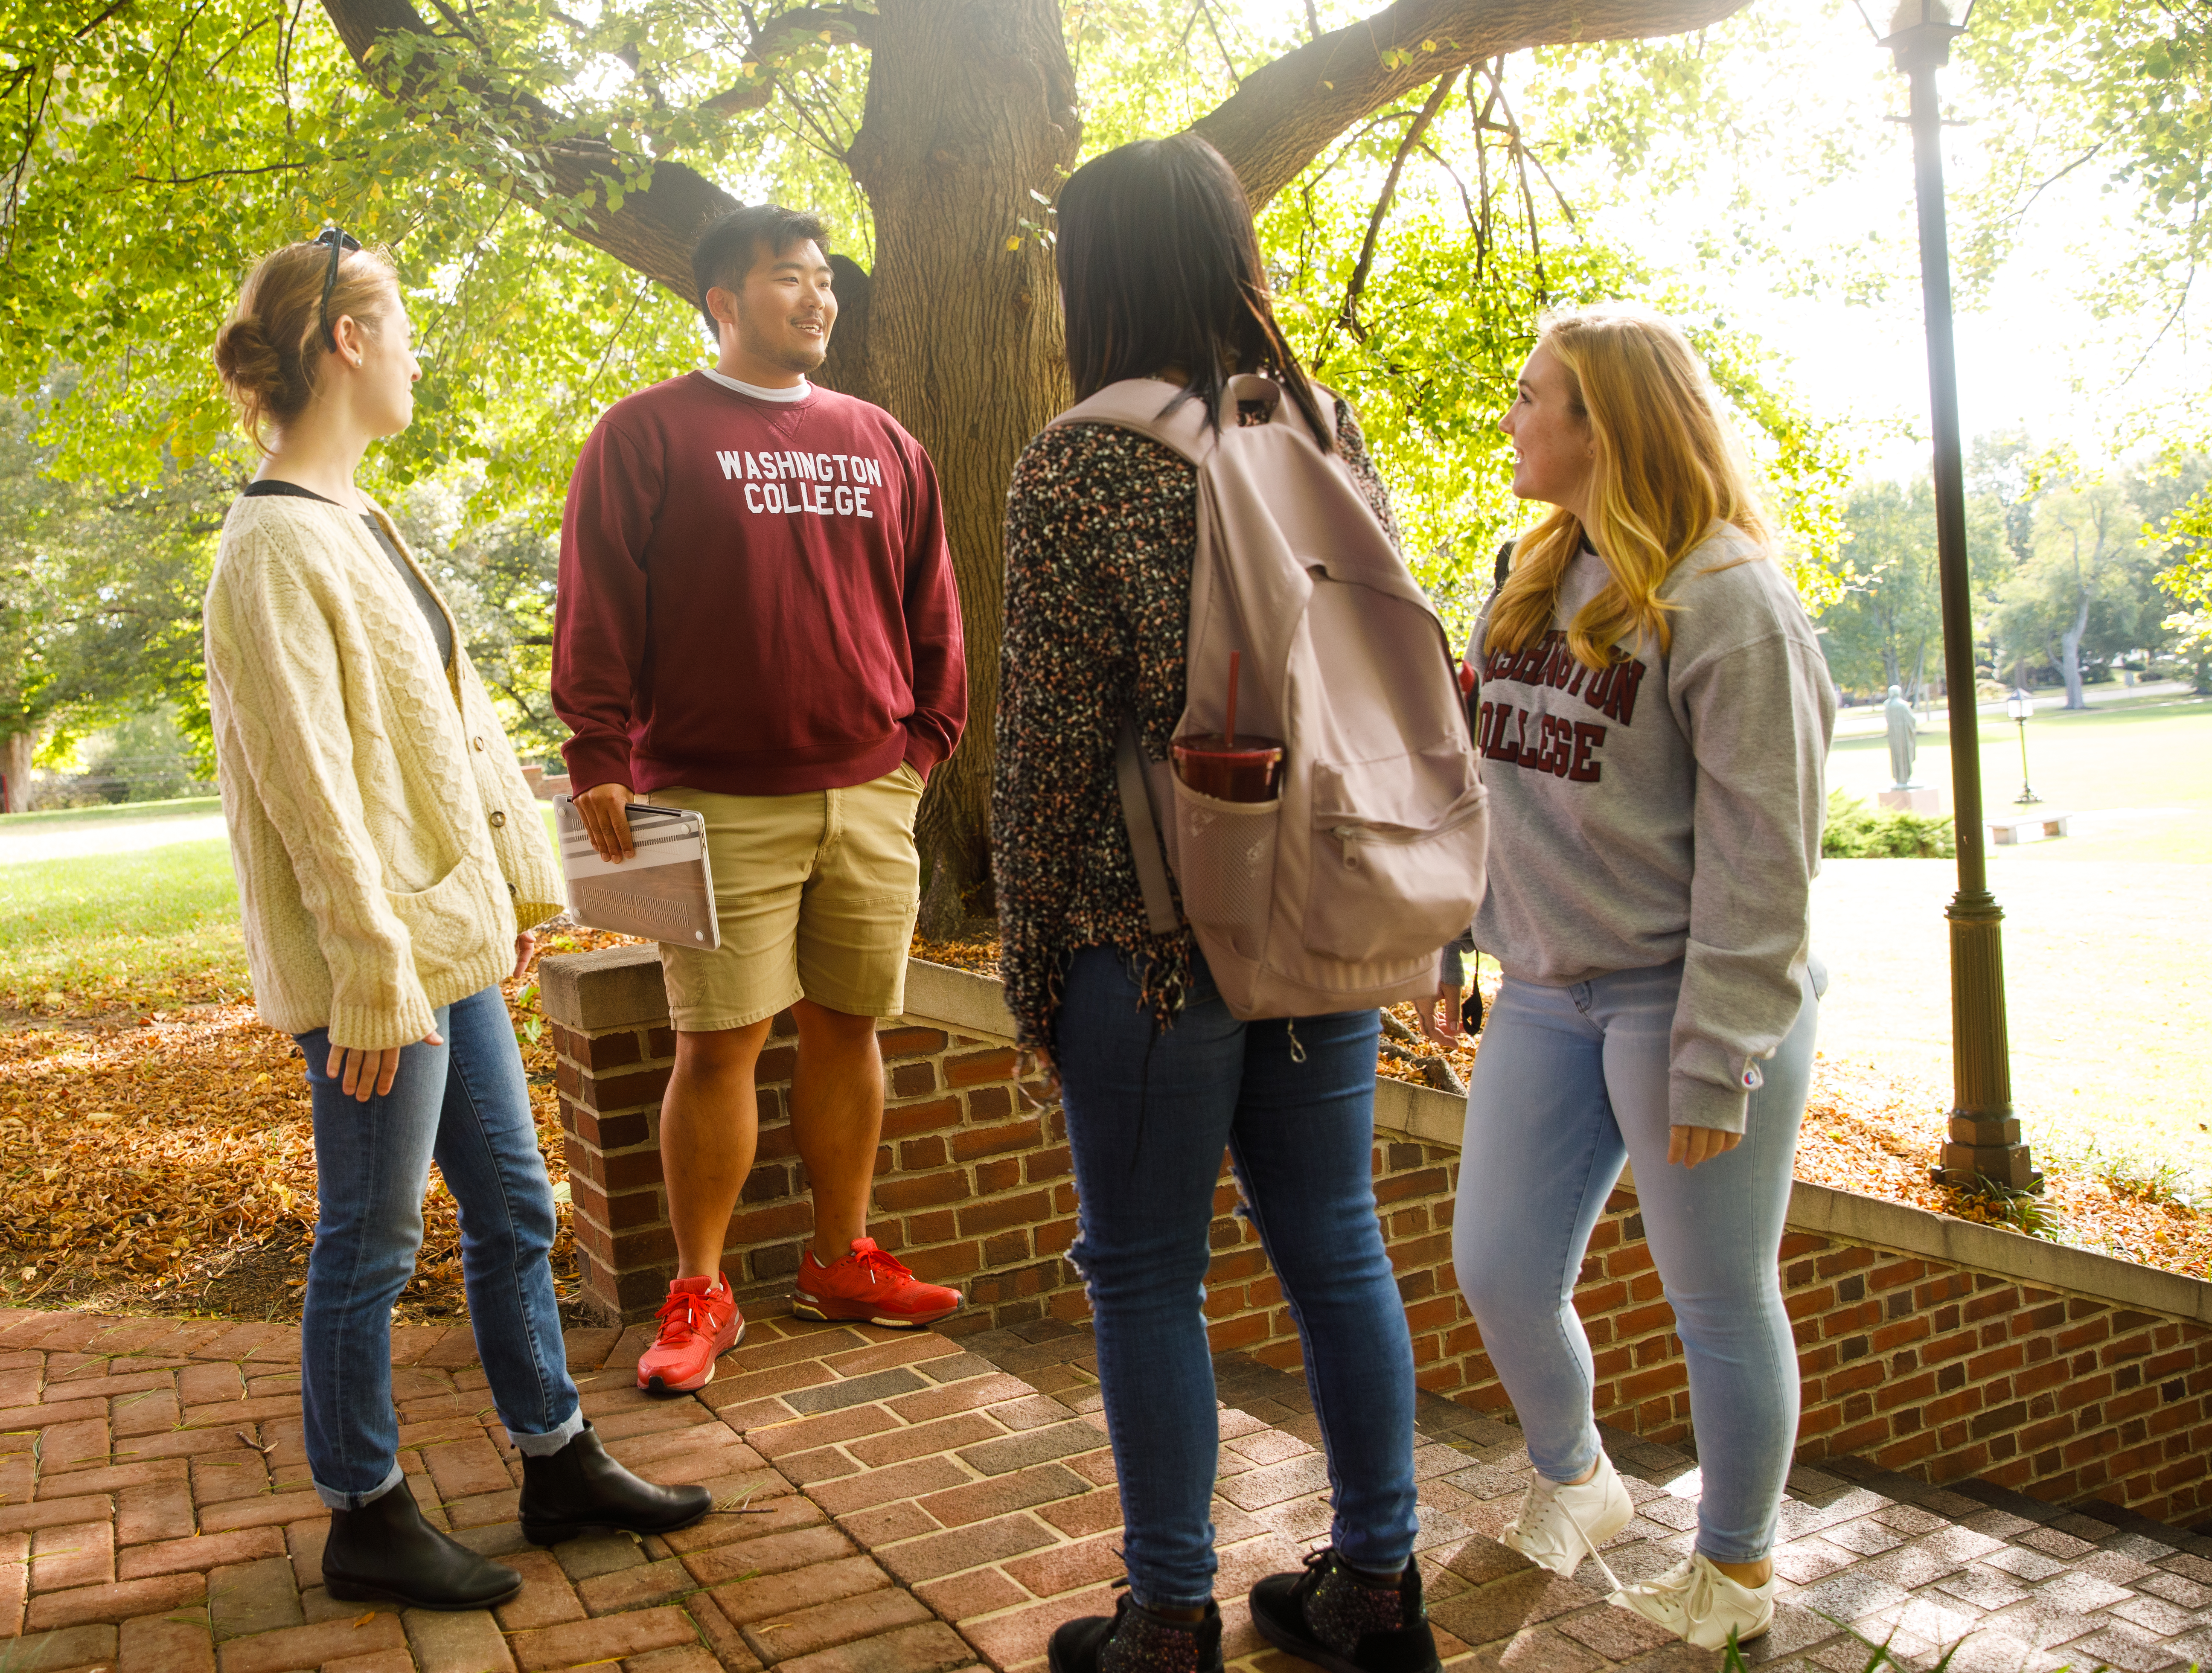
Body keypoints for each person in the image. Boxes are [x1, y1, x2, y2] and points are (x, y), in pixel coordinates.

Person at [204, 231, 710, 1610]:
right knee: (370, 1238)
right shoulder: (269, 549)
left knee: (517, 1209)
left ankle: (557, 1459)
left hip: (448, 942)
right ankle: (362, 1508)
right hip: (383, 967)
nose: (419, 350)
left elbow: (450, 743)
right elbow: (312, 794)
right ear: (347, 344)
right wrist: (375, 975)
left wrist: (507, 902)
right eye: (402, 325)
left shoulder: (365, 522)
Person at [993, 134, 1436, 1673]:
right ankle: (1381, 1588)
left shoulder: (1080, 458)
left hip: (1153, 937)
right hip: (1320, 912)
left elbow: (1049, 744)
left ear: (1096, 275)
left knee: (1142, 1273)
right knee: (1335, 1243)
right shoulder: (1319, 424)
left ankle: (1170, 1616)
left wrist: (1032, 963)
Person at [1450, 304, 1834, 1650]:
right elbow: (1494, 777)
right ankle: (1585, 1484)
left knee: (1718, 1299)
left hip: (1686, 1001)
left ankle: (1734, 1576)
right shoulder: (1531, 570)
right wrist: (1460, 929)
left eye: (1532, 394)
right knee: (1496, 1265)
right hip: (1551, 992)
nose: (1513, 416)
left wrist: (1721, 1049)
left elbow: (1767, 855)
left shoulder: (1732, 602)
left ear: (1603, 425)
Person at [553, 203, 969, 1396]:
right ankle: (700, 1287)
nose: (819, 298)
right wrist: (597, 756)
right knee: (717, 1041)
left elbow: (933, 608)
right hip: (715, 796)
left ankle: (843, 1258)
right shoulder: (644, 435)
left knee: (851, 1027)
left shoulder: (883, 439)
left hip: (871, 792)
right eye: (791, 279)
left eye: (827, 279)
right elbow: (596, 609)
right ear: (722, 300)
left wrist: (920, 750)